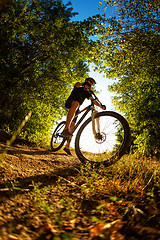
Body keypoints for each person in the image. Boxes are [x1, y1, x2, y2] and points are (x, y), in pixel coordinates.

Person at [62, 77, 106, 155]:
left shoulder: (87, 93)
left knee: (73, 126)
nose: (91, 84)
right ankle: (65, 128)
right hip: (71, 102)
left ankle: (67, 147)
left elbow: (93, 100)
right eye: (90, 82)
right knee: (76, 103)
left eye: (92, 83)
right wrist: (83, 84)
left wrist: (100, 106)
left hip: (76, 108)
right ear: (86, 81)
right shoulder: (79, 87)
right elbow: (76, 84)